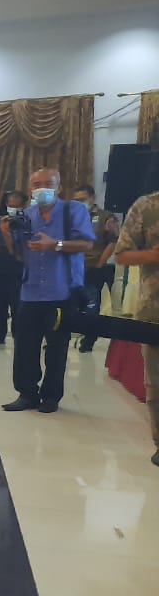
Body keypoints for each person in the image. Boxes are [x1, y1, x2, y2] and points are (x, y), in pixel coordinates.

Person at [0, 168, 96, 413]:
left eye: (48, 183)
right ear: (30, 189)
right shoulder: (27, 215)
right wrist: (8, 236)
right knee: (24, 346)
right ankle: (27, 393)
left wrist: (55, 244)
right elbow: (20, 255)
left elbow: (88, 244)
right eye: (36, 184)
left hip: (62, 291)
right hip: (30, 291)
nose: (42, 188)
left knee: (56, 346)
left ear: (59, 187)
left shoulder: (74, 211)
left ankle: (51, 396)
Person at [111, 155, 159, 465]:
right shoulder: (147, 206)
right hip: (156, 311)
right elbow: (122, 255)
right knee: (157, 381)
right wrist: (154, 254)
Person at [73, 184, 119, 352]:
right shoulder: (72, 216)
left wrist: (100, 263)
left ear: (92, 198)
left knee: (91, 306)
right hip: (73, 268)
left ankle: (88, 340)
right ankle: (61, 336)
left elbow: (113, 241)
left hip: (94, 268)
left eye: (83, 199)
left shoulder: (105, 217)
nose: (79, 203)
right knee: (70, 304)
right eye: (76, 200)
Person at [0, 190, 26, 345]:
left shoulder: (26, 221)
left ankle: (18, 335)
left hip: (18, 267)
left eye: (16, 206)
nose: (12, 208)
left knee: (17, 305)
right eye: (10, 205)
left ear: (23, 206)